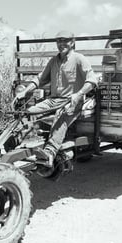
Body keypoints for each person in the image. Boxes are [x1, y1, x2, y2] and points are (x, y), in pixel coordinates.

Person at [14, 30, 97, 167]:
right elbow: (40, 79)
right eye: (59, 41)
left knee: (62, 114)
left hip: (71, 101)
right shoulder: (53, 61)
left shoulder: (79, 59)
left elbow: (92, 80)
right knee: (29, 112)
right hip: (53, 100)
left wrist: (79, 94)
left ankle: (50, 152)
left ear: (72, 42)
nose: (61, 44)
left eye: (65, 40)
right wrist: (25, 92)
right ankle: (15, 140)